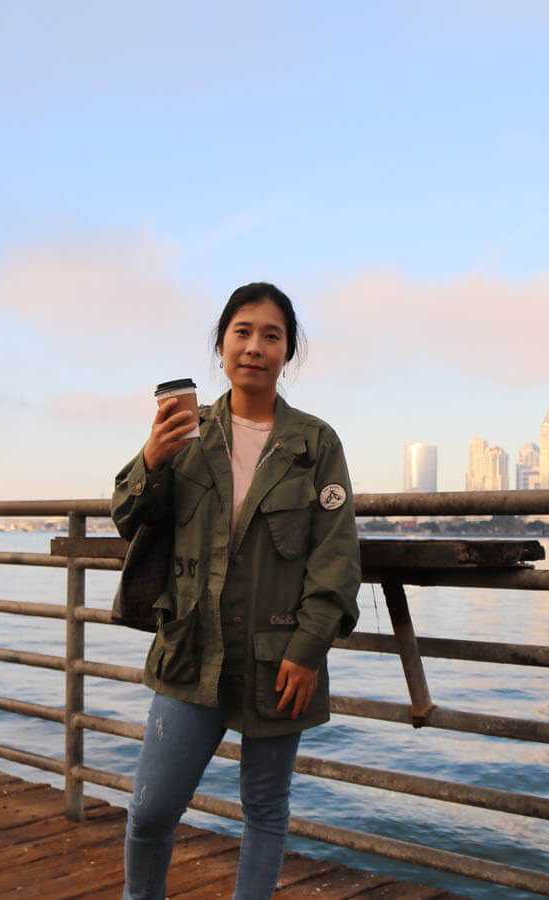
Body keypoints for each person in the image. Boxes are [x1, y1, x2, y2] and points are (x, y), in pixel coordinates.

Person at [111, 283, 361, 900]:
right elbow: (125, 515)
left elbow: (335, 556)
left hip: (280, 657)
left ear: (287, 352)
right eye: (242, 332)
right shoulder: (186, 435)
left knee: (265, 810)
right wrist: (152, 458)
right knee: (150, 811)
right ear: (220, 344)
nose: (254, 347)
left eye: (271, 336)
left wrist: (308, 648)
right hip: (191, 650)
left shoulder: (316, 445)